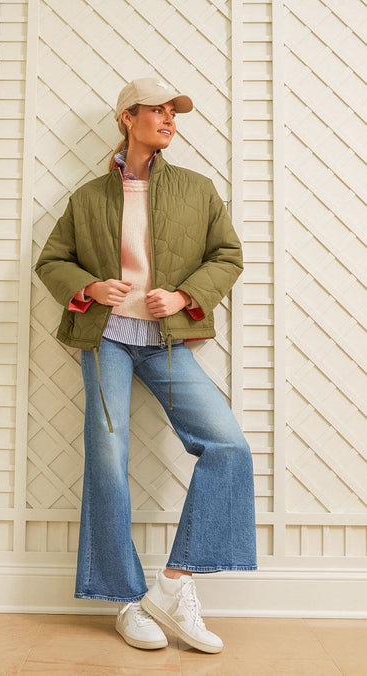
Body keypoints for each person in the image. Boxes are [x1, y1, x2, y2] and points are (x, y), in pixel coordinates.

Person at [35, 77, 257, 654]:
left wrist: (183, 296)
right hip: (105, 339)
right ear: (127, 118)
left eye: (172, 113)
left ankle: (172, 585)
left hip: (166, 341)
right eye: (156, 110)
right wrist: (89, 286)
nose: (168, 119)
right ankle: (125, 601)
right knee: (108, 460)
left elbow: (228, 255)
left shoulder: (196, 189)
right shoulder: (88, 197)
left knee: (229, 447)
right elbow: (52, 260)